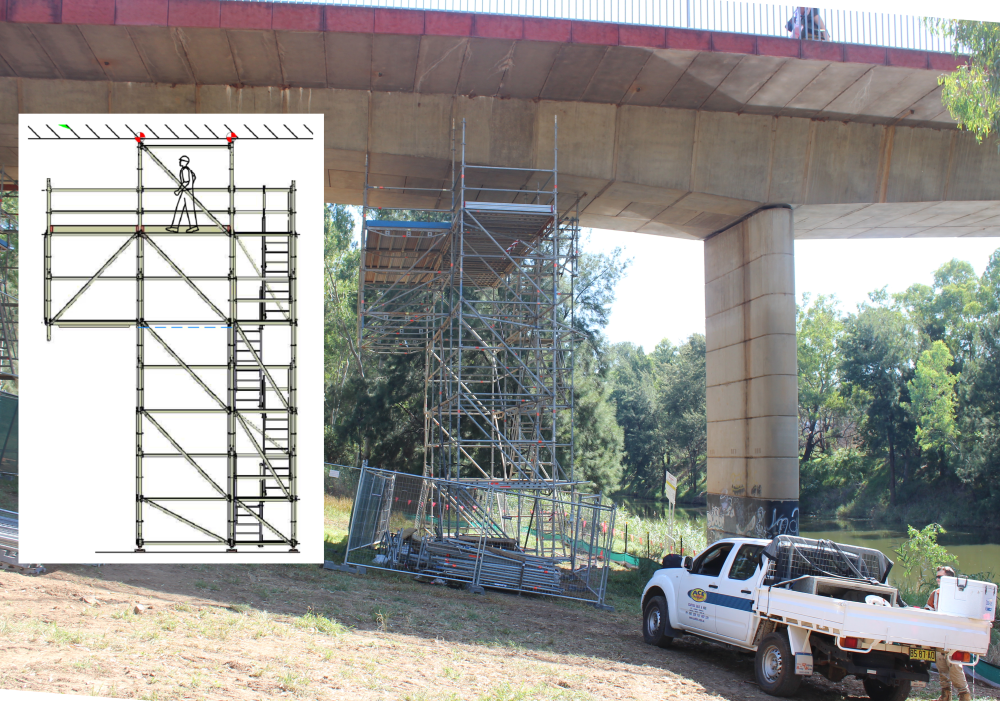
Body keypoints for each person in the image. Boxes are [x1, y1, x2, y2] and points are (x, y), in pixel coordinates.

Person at [926, 566, 971, 701]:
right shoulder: (935, 594)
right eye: (937, 577)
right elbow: (928, 612)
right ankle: (945, 696)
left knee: (954, 665)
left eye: (941, 577)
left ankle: (964, 696)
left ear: (950, 579)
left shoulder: (960, 594)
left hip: (955, 636)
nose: (937, 579)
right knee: (941, 665)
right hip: (939, 635)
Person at [167, 155, 199, 233]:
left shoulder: (184, 170)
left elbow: (186, 182)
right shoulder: (187, 170)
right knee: (180, 208)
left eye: (181, 161)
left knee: (189, 209)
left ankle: (193, 226)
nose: (180, 162)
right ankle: (175, 227)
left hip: (187, 191)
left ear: (185, 162)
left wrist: (179, 190)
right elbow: (194, 176)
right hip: (187, 190)